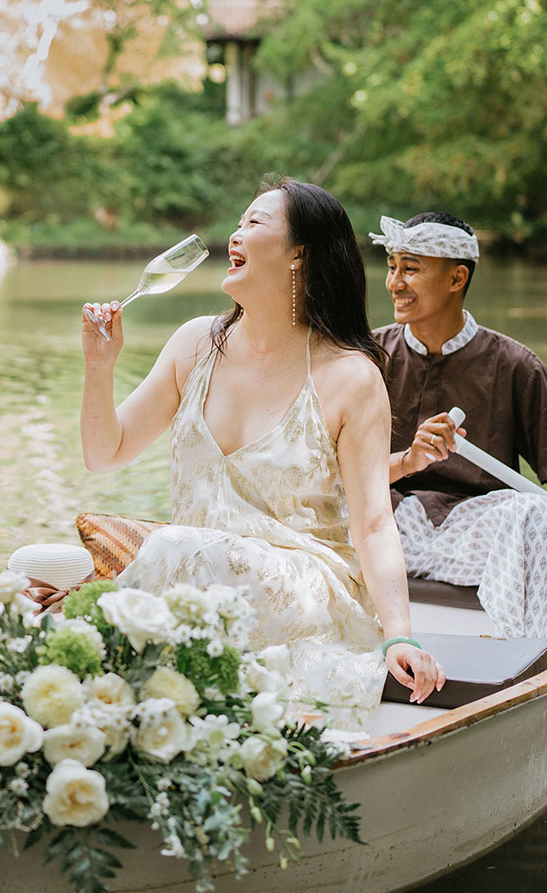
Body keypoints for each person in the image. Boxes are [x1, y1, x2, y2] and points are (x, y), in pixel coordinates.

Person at [80, 179, 445, 730]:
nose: (235, 233)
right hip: (200, 582)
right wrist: (99, 366)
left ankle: (95, 679)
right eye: (239, 221)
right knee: (56, 565)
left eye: (254, 223)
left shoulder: (350, 376)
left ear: (299, 255)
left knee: (171, 546)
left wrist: (399, 634)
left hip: (303, 588)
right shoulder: (194, 344)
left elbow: (373, 522)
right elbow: (105, 453)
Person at [371, 212, 547, 640]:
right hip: (385, 528)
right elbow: (333, 472)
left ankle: (516, 650)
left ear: (457, 279)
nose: (395, 283)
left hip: (476, 537)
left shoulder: (516, 365)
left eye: (411, 269)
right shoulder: (367, 357)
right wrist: (407, 460)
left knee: (538, 514)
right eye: (392, 267)